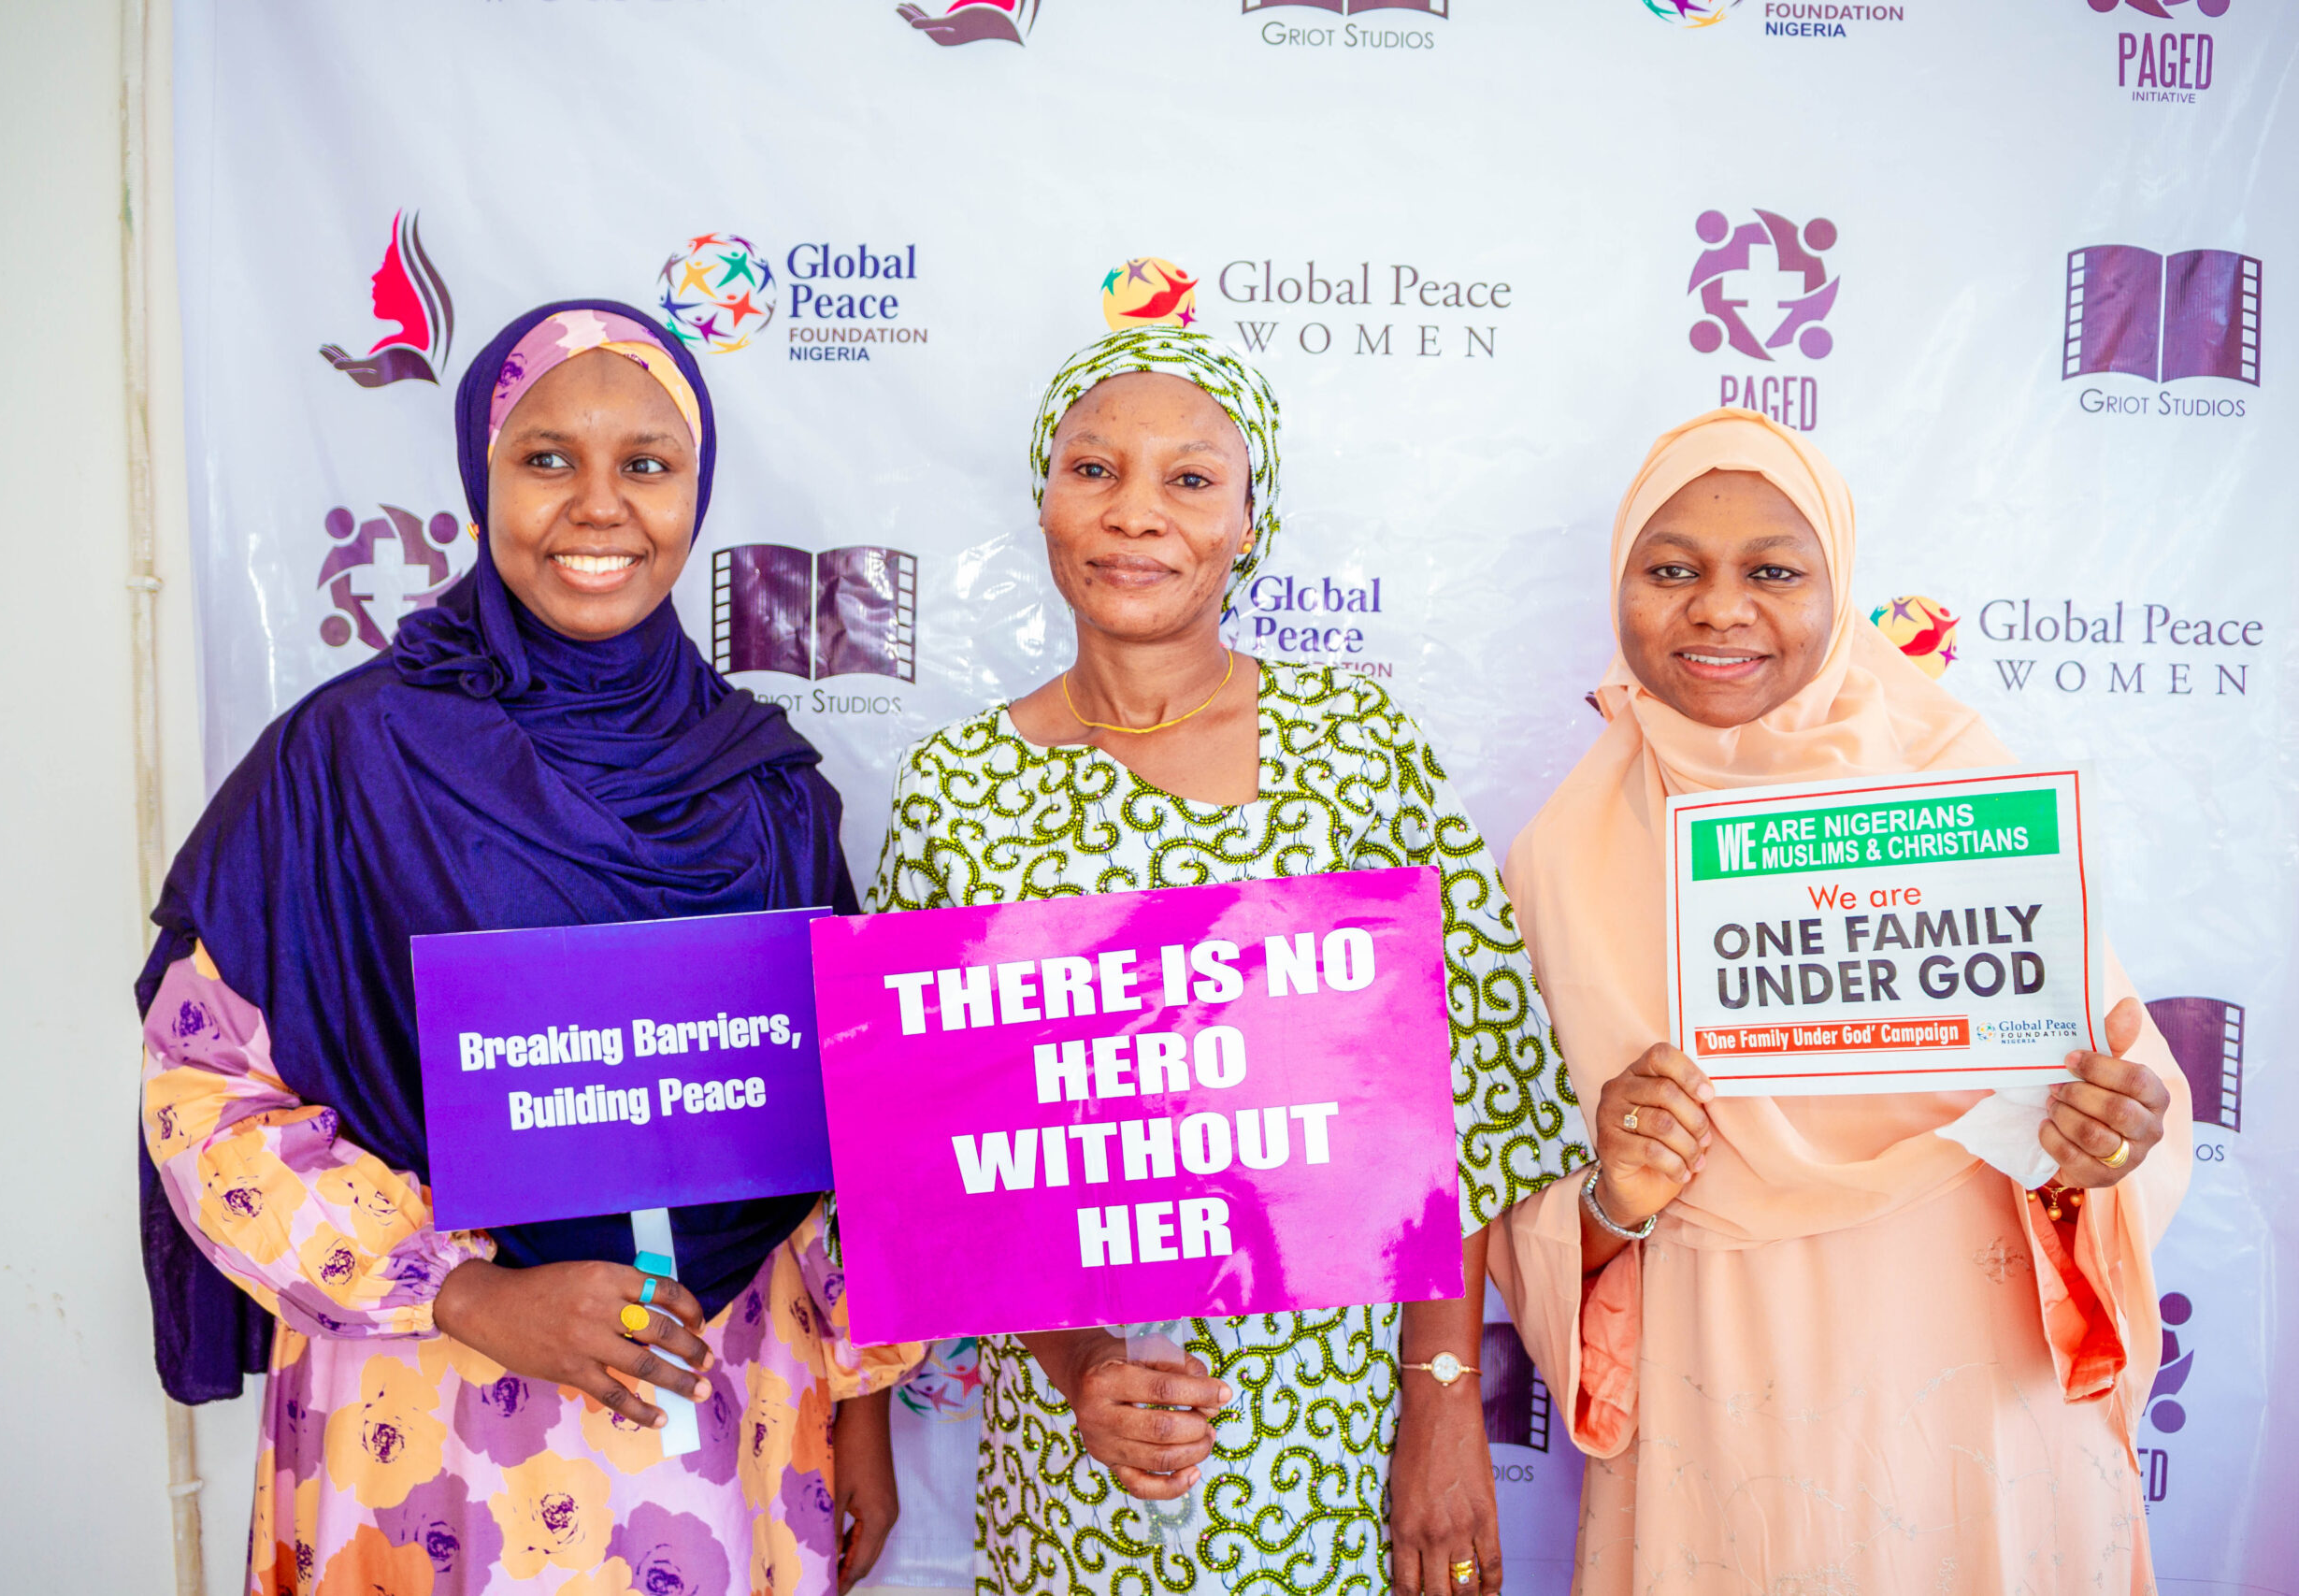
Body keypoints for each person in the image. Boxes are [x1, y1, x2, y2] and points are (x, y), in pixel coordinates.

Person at [136, 301, 917, 1596]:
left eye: (646, 463)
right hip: (427, 1426)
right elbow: (200, 1095)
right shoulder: (347, 760)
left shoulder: (766, 788)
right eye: (547, 457)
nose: (598, 506)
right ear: (480, 473)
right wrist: (469, 1296)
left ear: (697, 489)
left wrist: (862, 1407)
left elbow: (836, 1133)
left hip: (719, 1431)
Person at [865, 327, 1588, 1596]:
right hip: (1072, 1458)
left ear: (1251, 521)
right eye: (1094, 468)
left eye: (1191, 478)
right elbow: (943, 1171)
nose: (1134, 511)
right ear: (1044, 495)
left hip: (1330, 1439)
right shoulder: (956, 792)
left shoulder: (1355, 750)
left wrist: (1441, 1402)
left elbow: (1458, 1106)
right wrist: (1083, 1367)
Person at [1488, 407, 2192, 1593]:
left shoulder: (1963, 794)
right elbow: (1520, 1209)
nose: (1718, 609)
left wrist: (2100, 1147)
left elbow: (2109, 1129)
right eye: (1670, 571)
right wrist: (1615, 1195)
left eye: (1773, 572)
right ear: (1620, 587)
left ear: (1839, 588)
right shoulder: (1561, 858)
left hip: (1978, 1377)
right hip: (1725, 1390)